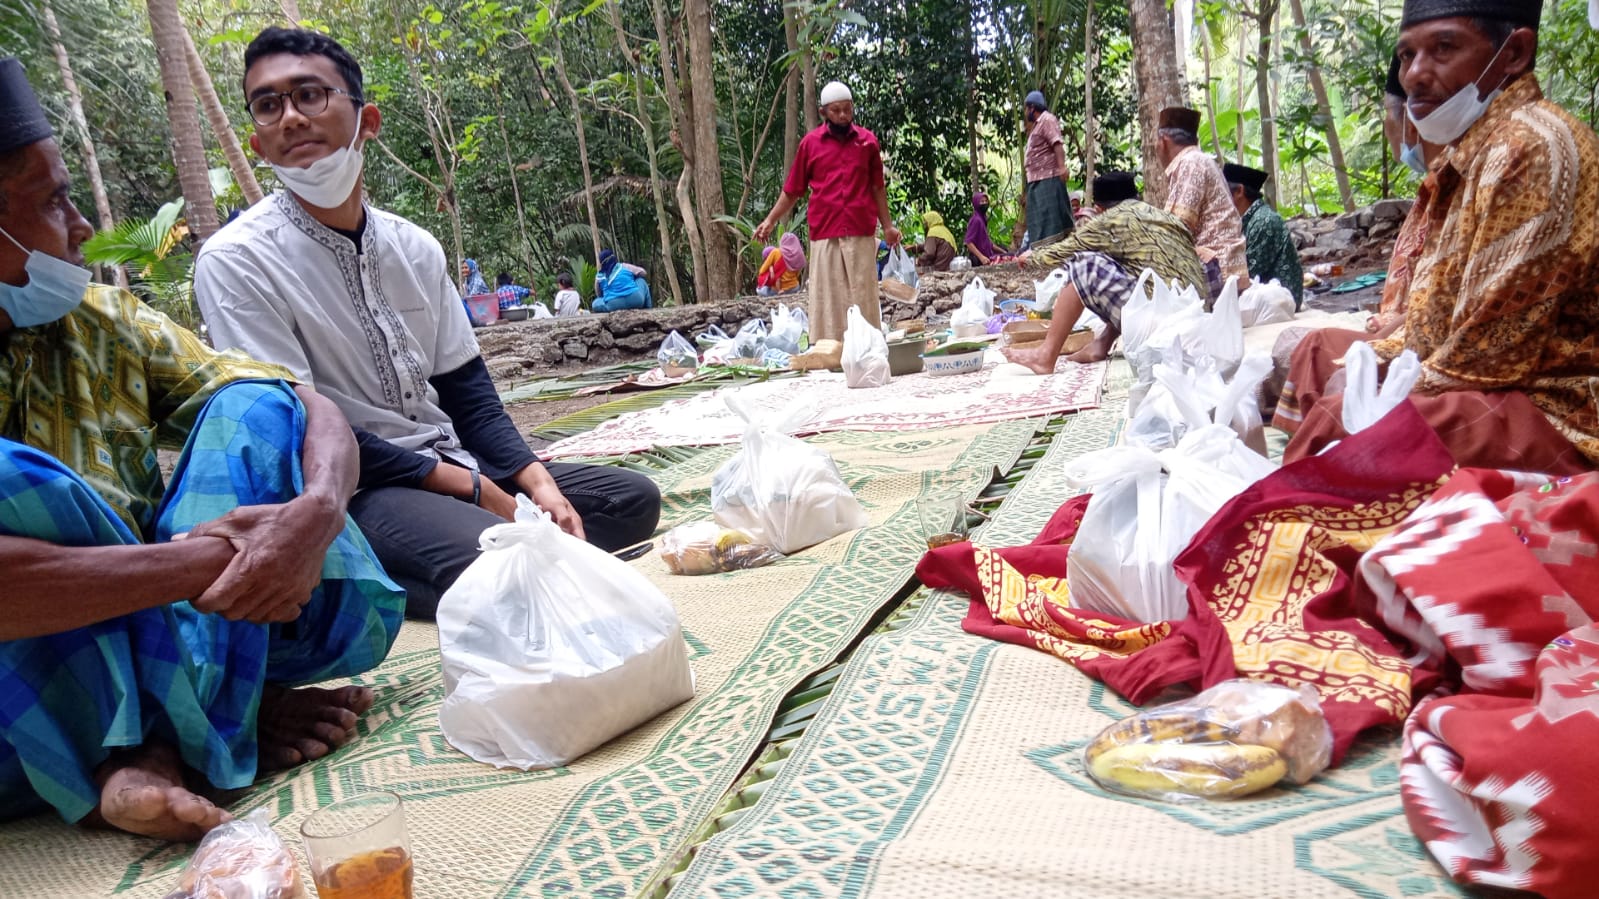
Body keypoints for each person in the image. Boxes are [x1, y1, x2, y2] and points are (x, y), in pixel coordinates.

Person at [0, 56, 403, 840]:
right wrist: (227, 563)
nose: (81, 227)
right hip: (22, 703)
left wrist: (315, 515)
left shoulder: (99, 320)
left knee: (255, 403)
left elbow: (304, 404)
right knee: (16, 481)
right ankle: (187, 726)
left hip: (175, 627)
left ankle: (169, 729)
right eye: (54, 201)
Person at [194, 28, 662, 620]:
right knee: (505, 567)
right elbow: (301, 429)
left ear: (367, 120)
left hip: (456, 457)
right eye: (268, 105)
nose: (290, 117)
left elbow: (470, 395)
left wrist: (536, 482)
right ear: (258, 143)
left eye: (309, 95)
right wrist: (472, 490)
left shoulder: (413, 248)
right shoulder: (237, 260)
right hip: (358, 488)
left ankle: (406, 579)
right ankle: (350, 582)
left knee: (629, 501)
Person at [1273, 0, 1599, 474]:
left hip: (1556, 407)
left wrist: (1376, 379)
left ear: (1514, 53)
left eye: (1443, 48)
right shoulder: (1469, 152)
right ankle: (1295, 493)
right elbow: (1435, 319)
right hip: (1478, 373)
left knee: (1345, 422)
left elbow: (1489, 358)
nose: (1414, 75)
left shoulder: (1532, 148)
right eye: (1407, 56)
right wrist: (1370, 360)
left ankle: (1284, 511)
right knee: (1324, 356)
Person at [1003, 171, 1208, 373]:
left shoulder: (1111, 219)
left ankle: (1045, 355)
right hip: (1197, 319)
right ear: (1136, 196)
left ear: (1099, 209)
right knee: (1130, 272)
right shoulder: (1165, 217)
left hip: (1163, 324)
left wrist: (1030, 257)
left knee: (1084, 266)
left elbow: (1064, 251)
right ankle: (1102, 344)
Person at [754, 81, 901, 343]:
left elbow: (878, 187)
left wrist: (888, 226)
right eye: (836, 111)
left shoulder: (868, 143)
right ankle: (829, 353)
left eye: (847, 110)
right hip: (826, 232)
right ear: (824, 113)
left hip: (860, 230)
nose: (843, 115)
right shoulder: (810, 145)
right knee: (829, 301)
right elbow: (792, 191)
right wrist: (769, 220)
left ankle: (867, 348)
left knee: (864, 296)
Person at [1156, 106, 1249, 298]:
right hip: (1225, 269)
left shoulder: (1191, 163)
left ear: (1163, 141)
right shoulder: (1200, 160)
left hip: (1216, 270)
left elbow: (1176, 228)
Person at [1222, 162, 1303, 309]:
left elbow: (1247, 274)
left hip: (1282, 300)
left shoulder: (1264, 221)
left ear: (1239, 191)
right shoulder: (1248, 220)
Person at [1022, 91, 1073, 249]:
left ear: (1032, 108)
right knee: (1040, 220)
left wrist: (1062, 166)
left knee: (1051, 220)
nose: (1025, 113)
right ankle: (1043, 251)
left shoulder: (1047, 120)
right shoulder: (1037, 125)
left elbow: (1057, 143)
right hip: (1037, 180)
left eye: (1025, 109)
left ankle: (1054, 251)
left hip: (1048, 178)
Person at [593, 248, 652, 312]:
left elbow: (599, 294)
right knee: (641, 281)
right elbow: (643, 272)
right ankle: (648, 309)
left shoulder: (599, 277)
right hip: (636, 300)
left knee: (595, 303)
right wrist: (633, 277)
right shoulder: (624, 266)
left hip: (614, 305)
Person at [963, 192, 1011, 266]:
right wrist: (981, 257)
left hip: (988, 256)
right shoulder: (976, 220)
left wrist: (1004, 252)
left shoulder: (983, 219)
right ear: (976, 204)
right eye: (982, 202)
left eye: (986, 201)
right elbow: (969, 242)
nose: (985, 203)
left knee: (1003, 248)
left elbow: (988, 243)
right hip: (978, 259)